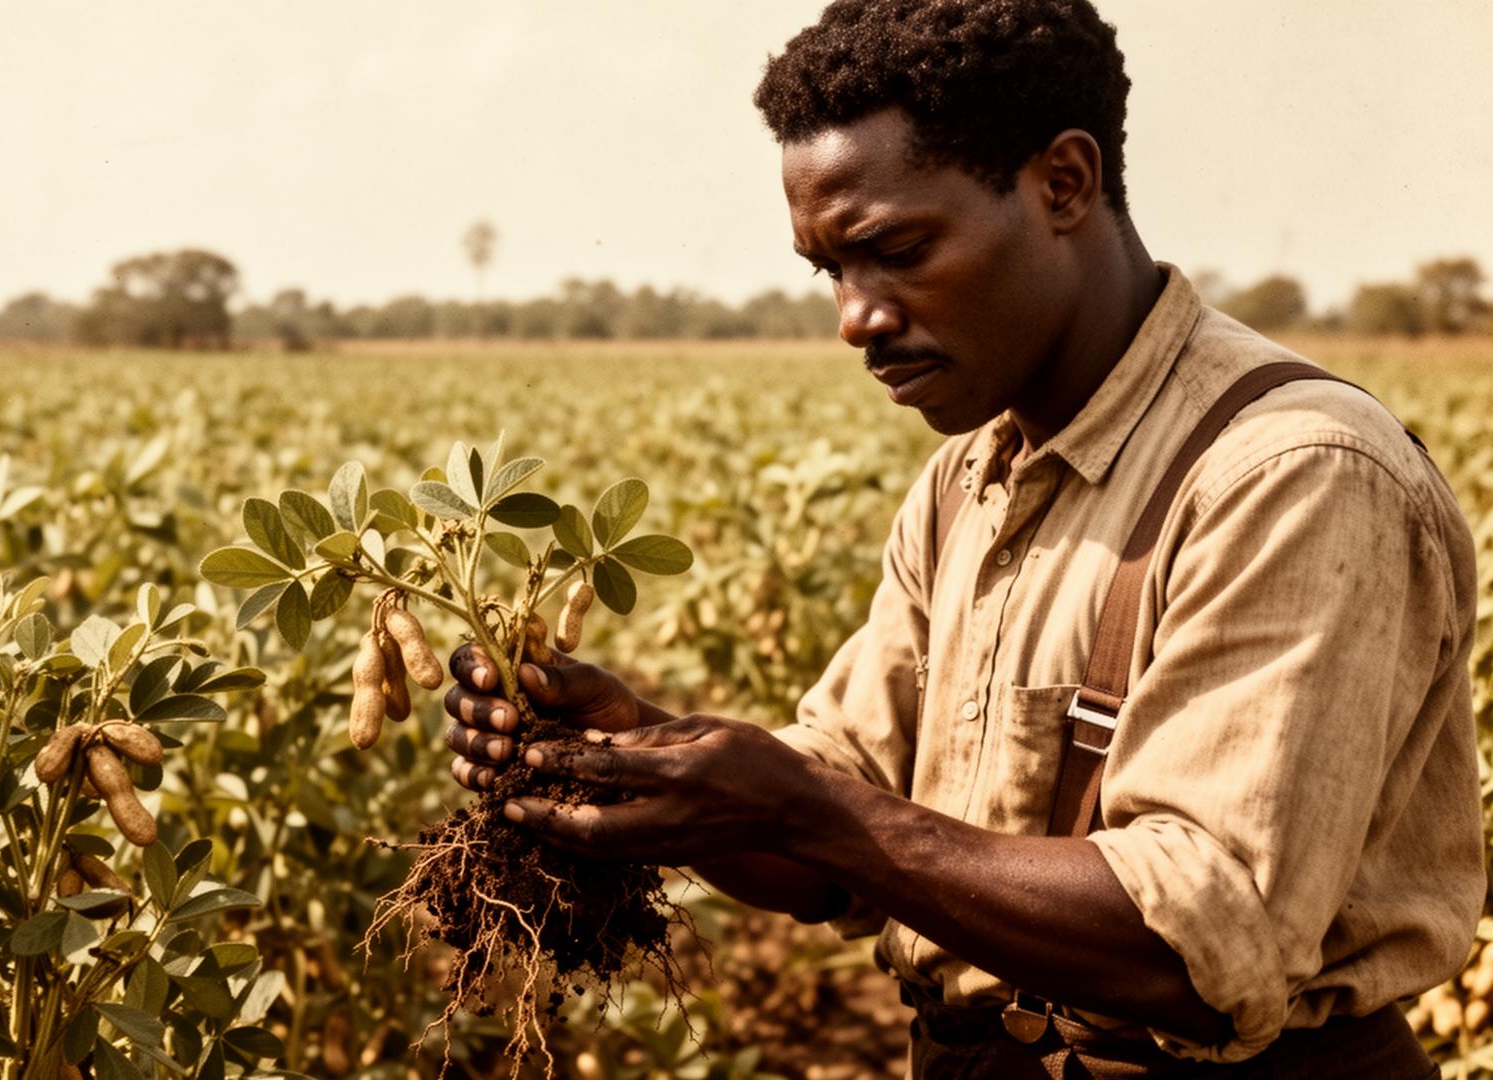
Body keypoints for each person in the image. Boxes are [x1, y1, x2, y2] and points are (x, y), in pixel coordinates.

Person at [439, 1, 1482, 1077]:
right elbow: (849, 822)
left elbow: (1198, 948)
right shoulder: (967, 480)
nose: (855, 316)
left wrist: (807, 808)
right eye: (829, 270)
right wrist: (644, 757)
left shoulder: (1293, 473)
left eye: (893, 250)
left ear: (1064, 184)